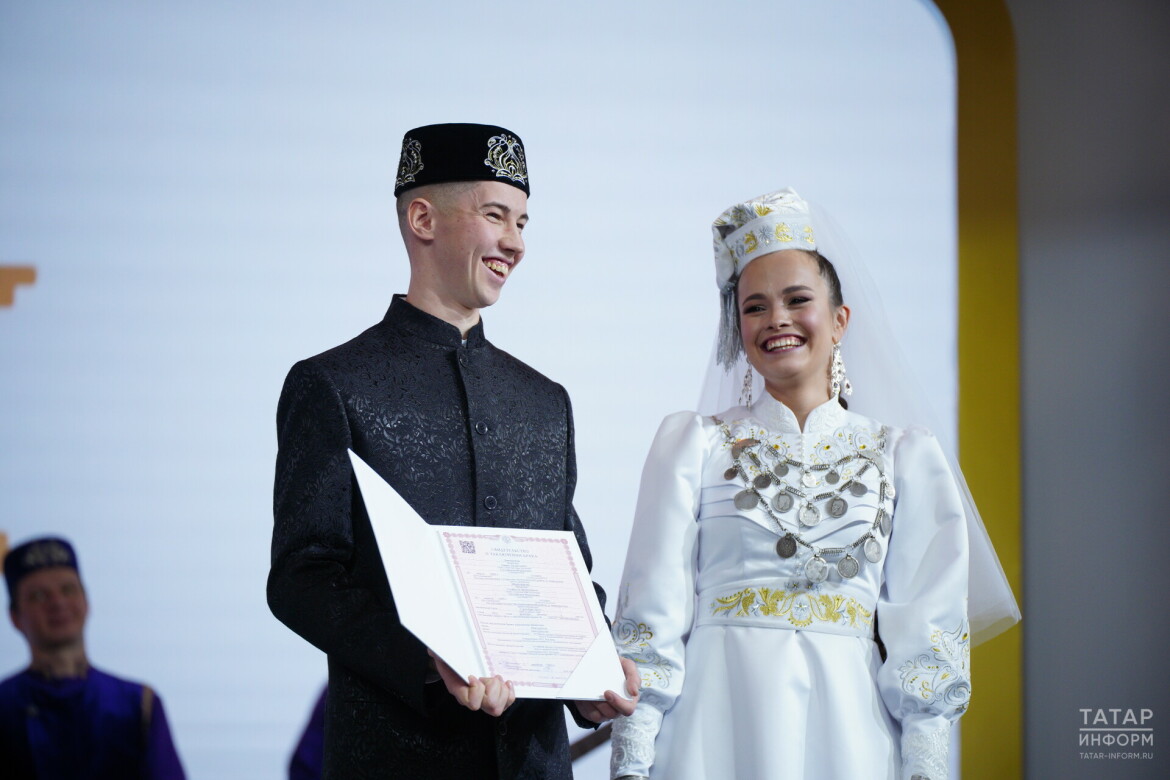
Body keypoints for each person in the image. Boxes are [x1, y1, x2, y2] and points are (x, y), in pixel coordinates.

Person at [267, 122, 637, 779]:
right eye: (495, 215)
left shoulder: (544, 401)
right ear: (423, 219)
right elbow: (302, 577)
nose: (516, 242)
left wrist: (593, 670)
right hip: (395, 759)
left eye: (523, 221)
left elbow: (568, 568)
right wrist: (425, 661)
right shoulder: (333, 385)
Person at [609, 189, 1019, 780]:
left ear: (840, 320)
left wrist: (925, 766)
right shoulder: (694, 445)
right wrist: (632, 759)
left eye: (797, 300)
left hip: (850, 733)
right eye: (754, 307)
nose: (776, 319)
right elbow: (653, 612)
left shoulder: (902, 456)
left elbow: (927, 632)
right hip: (714, 728)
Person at [0, 536, 186, 779]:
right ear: (15, 617)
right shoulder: (5, 706)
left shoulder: (138, 705)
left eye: (68, 590)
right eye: (39, 596)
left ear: (86, 601)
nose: (57, 603)